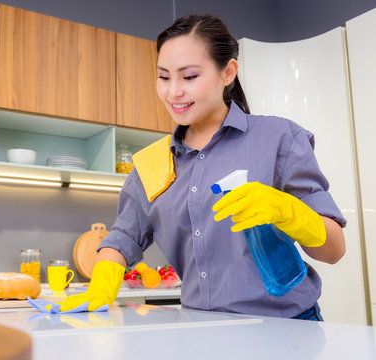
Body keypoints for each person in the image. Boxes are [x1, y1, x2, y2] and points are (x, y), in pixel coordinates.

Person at [56, 14, 346, 320]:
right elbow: (124, 238)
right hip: (202, 328)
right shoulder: (153, 163)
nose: (173, 92)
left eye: (190, 76)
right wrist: (101, 286)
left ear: (228, 72)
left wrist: (289, 211)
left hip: (288, 327)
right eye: (164, 77)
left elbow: (333, 250)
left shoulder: (279, 139)